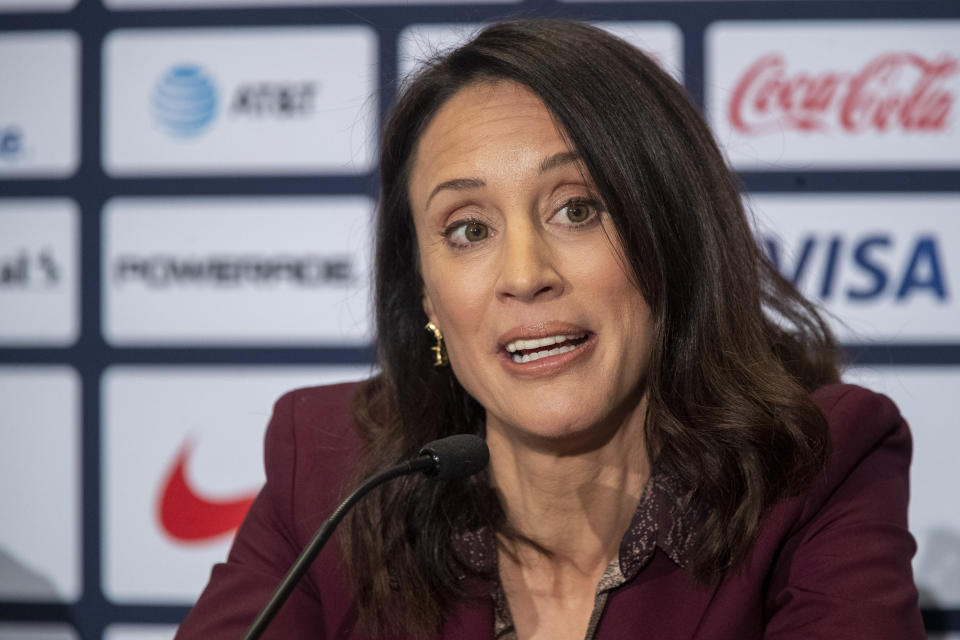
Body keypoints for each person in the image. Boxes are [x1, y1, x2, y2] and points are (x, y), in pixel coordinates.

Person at [176, 19, 925, 639]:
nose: (525, 273)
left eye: (578, 209)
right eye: (468, 229)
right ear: (428, 299)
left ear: (675, 243)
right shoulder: (329, 465)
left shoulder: (817, 466)